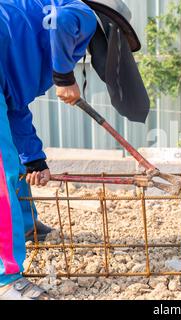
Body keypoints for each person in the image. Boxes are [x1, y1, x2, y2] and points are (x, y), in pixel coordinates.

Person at [0, 0, 149, 300]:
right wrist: (64, 78)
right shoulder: (82, 11)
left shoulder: (34, 36)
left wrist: (35, 159)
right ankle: (6, 278)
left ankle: (26, 226)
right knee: (2, 172)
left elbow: (14, 105)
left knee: (14, 160)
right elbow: (65, 21)